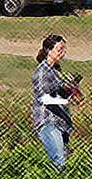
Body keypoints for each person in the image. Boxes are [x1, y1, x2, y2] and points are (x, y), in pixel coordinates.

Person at [31, 34, 79, 168]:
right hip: (48, 121)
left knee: (64, 159)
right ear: (48, 50)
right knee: (59, 161)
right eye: (59, 50)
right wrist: (66, 102)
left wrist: (69, 90)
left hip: (59, 121)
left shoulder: (54, 71)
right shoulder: (42, 72)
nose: (63, 53)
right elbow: (43, 98)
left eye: (64, 50)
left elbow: (57, 95)